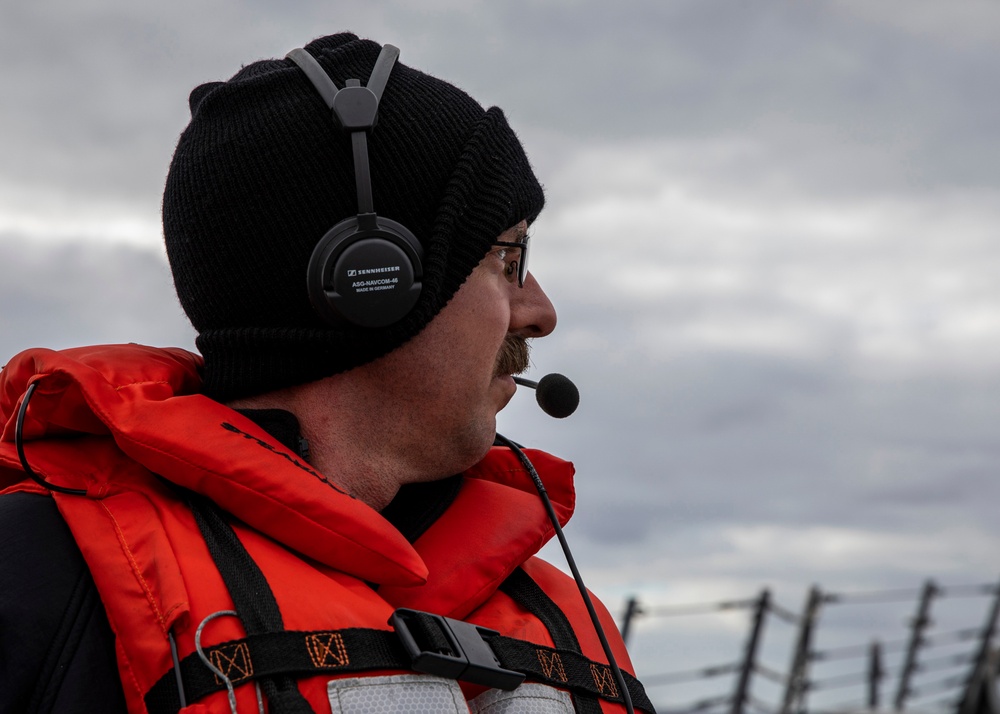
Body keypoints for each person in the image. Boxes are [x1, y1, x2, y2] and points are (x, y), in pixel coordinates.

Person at [0, 32, 654, 714]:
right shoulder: (37, 576)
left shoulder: (576, 625)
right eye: (507, 259)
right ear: (374, 279)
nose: (540, 311)